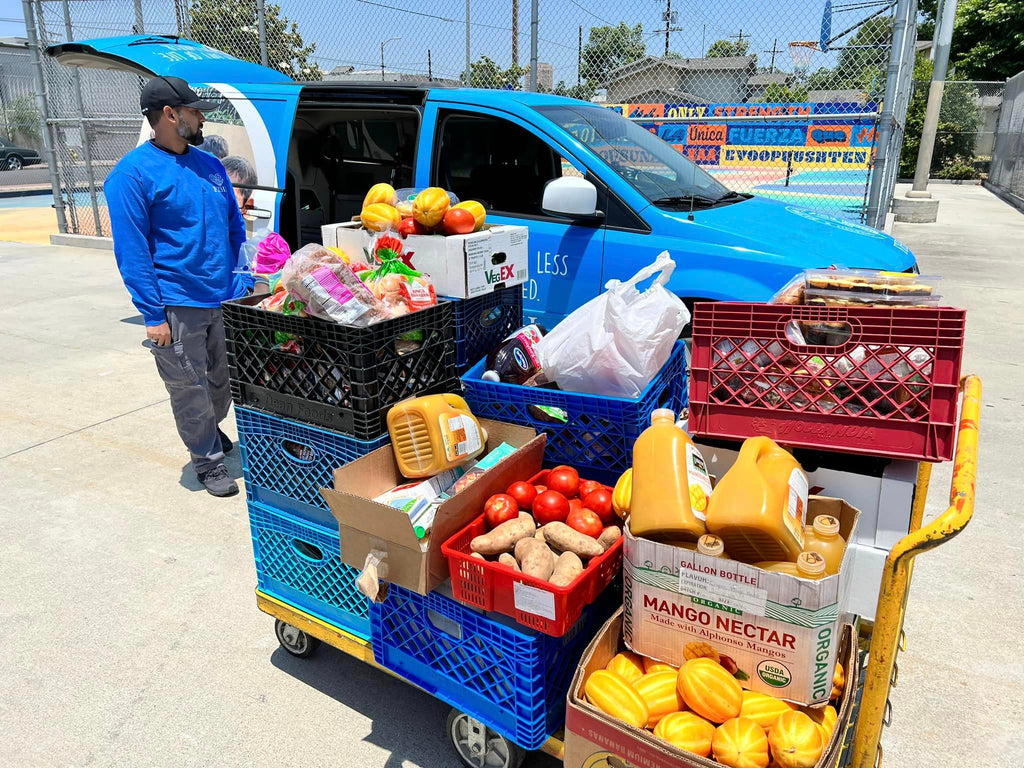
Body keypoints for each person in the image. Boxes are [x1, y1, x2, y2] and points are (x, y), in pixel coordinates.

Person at [103, 76, 253, 497]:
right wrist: (152, 315)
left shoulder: (208, 165)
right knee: (190, 388)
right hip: (175, 302)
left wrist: (243, 278)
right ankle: (206, 460)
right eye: (193, 110)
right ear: (170, 115)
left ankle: (209, 429)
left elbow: (232, 224)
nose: (202, 116)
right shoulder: (131, 175)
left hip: (224, 297)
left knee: (223, 383)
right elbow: (132, 251)